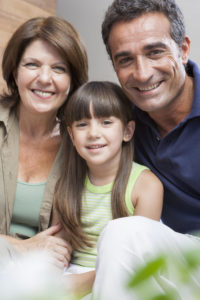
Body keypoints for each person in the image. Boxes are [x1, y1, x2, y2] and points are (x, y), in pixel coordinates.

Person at [91, 0, 200, 299]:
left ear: (183, 49)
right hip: (171, 252)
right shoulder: (120, 123)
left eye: (155, 52)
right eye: (125, 60)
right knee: (122, 234)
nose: (141, 73)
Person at [53, 81, 163, 298]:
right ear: (72, 135)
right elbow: (59, 248)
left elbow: (140, 259)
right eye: (82, 124)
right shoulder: (65, 185)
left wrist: (84, 283)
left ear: (127, 131)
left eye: (106, 122)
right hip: (71, 276)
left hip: (124, 277)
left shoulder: (146, 185)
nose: (94, 133)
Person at [0, 16, 88, 270]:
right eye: (32, 64)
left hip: (37, 277)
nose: (45, 78)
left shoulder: (83, 145)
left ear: (72, 81)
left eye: (59, 68)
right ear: (15, 72)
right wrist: (23, 247)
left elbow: (62, 249)